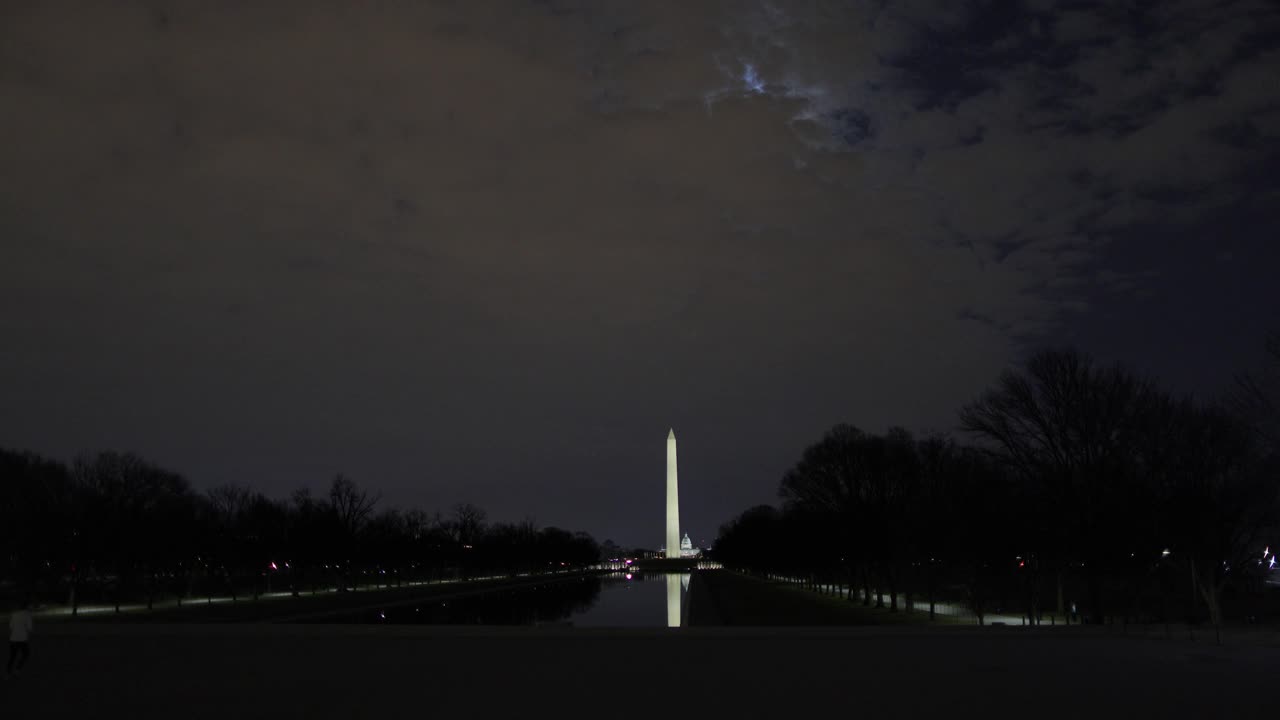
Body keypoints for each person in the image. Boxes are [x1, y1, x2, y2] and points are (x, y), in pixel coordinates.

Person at [8, 599, 33, 678]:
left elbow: (11, 627)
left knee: (13, 656)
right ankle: (17, 669)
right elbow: (29, 628)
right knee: (26, 654)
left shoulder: (14, 614)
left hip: (13, 638)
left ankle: (8, 671)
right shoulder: (27, 615)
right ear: (27, 606)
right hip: (22, 639)